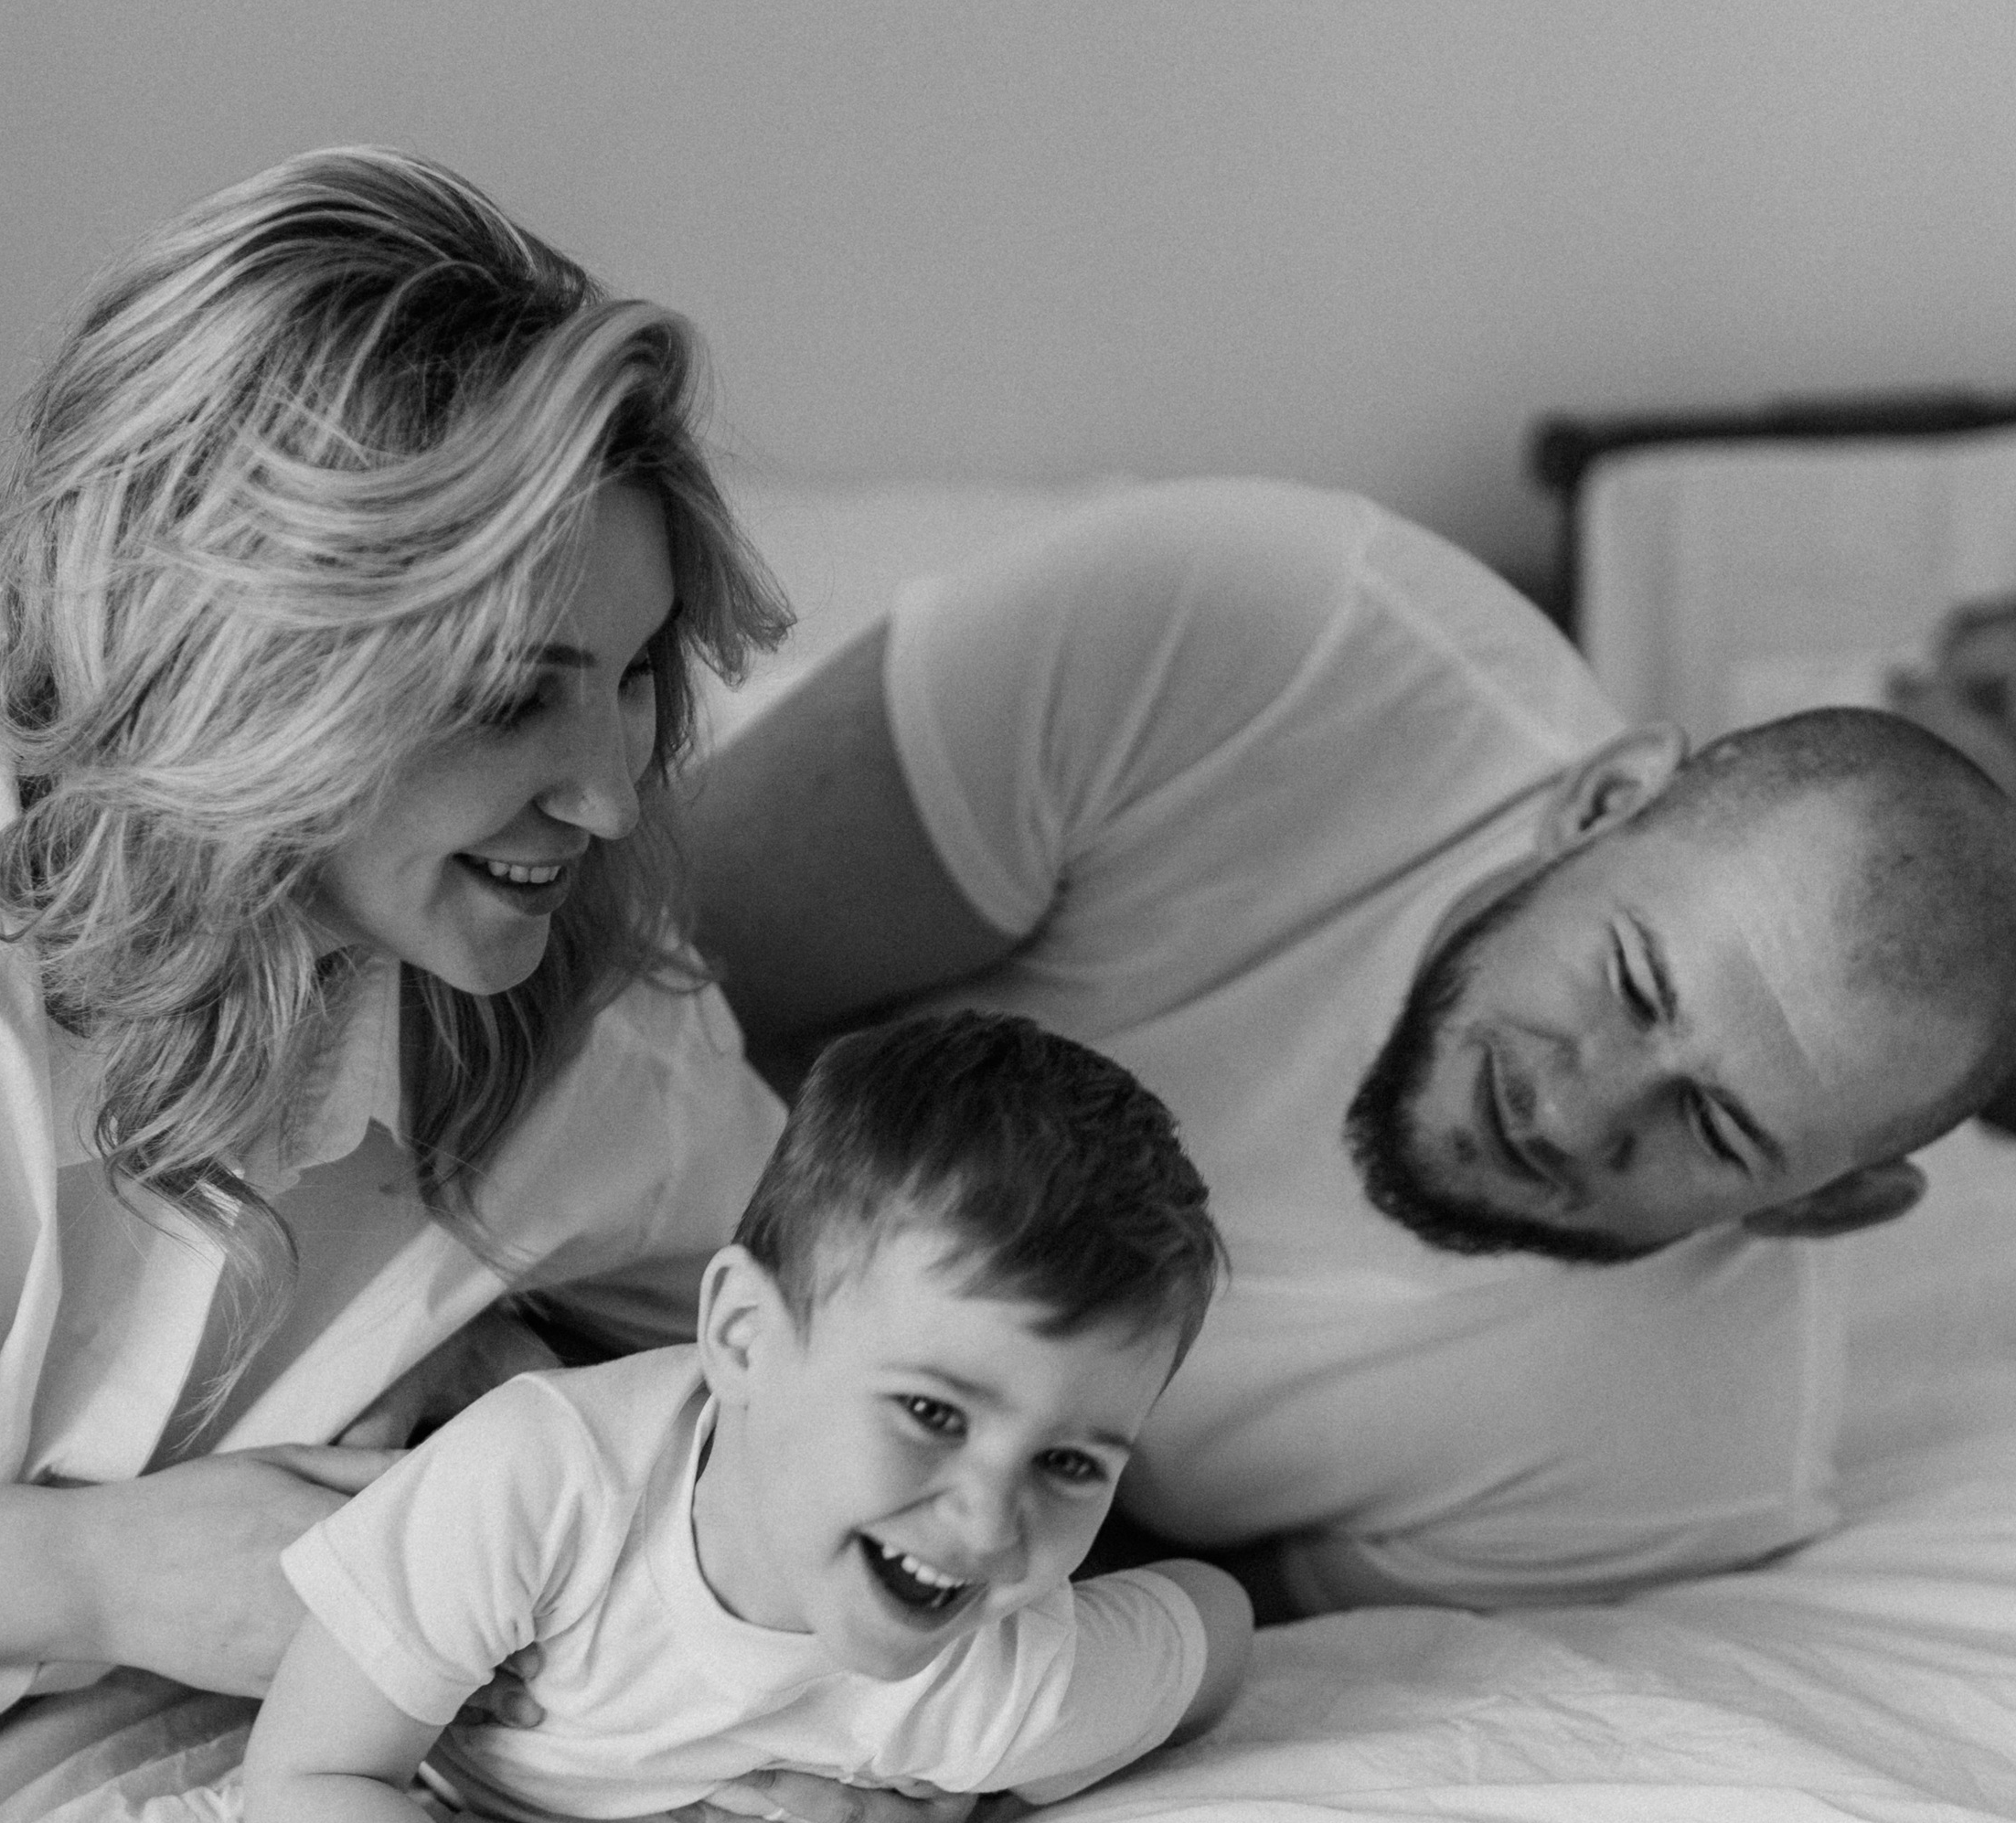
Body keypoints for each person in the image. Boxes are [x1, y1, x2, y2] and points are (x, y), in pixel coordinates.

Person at [0, 148, 795, 1823]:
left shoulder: (580, 1025)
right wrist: (101, 1577)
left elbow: (806, 1390)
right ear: (250, 655)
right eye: (515, 693)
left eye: (626, 682)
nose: (605, 793)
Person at [683, 481, 2016, 1614]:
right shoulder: (1260, 631)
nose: (1573, 1108)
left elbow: (1162, 1604)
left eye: (1717, 1127)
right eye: (1632, 981)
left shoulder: (1684, 1460)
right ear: (1601, 801)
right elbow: (620, 981)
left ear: (1823, 1206)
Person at [241, 1012, 1254, 1823]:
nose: (987, 1524)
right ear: (740, 1335)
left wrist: (988, 1805)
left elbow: (1220, 1627)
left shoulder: (994, 1684)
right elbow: (311, 1776)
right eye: (931, 1412)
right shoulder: (539, 1478)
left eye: (1068, 1464)